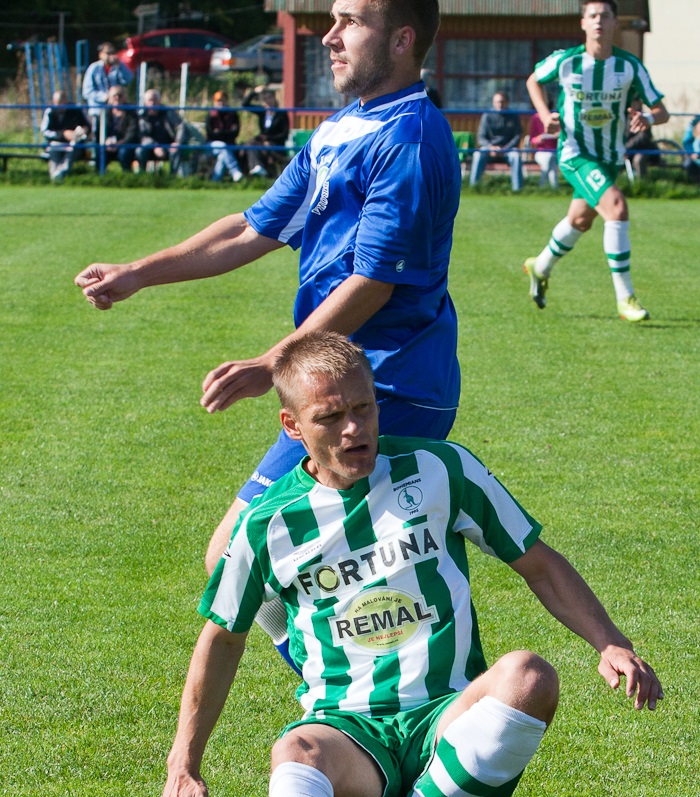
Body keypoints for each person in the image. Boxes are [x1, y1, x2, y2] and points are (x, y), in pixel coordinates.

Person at [148, 334, 662, 797]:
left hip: (450, 725)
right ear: (292, 427)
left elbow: (538, 563)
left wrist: (610, 642)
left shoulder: (441, 469)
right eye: (330, 417)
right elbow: (222, 639)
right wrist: (184, 763)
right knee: (295, 749)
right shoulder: (267, 524)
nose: (353, 429)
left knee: (529, 676)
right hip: (350, 736)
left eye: (363, 408)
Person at [74, 0, 461, 626]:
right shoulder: (344, 127)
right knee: (262, 565)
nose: (330, 37)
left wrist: (272, 362)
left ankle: (387, 682)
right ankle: (349, 679)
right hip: (340, 383)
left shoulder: (408, 140)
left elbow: (374, 284)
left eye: (350, 22)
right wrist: (138, 273)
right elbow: (253, 227)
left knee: (271, 563)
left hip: (391, 387)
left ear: (401, 40)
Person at [523, 0, 668, 322]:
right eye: (593, 16)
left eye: (605, 16)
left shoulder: (629, 66)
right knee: (616, 208)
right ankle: (625, 298)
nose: (599, 21)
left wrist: (646, 117)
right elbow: (533, 80)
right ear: (583, 23)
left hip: (610, 158)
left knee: (580, 221)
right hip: (575, 154)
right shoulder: (567, 61)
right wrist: (545, 115)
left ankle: (540, 266)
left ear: (616, 22)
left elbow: (662, 111)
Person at [469, 91, 524, 192]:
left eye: (502, 102)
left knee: (516, 156)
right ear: (493, 103)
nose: (500, 104)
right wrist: (491, 147)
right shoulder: (487, 116)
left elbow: (517, 136)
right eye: (497, 102)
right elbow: (481, 137)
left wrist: (506, 148)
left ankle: (517, 190)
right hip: (489, 149)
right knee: (478, 154)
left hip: (508, 149)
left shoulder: (514, 116)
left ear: (507, 102)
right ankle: (474, 188)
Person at [82, 42, 134, 134]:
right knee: (97, 134)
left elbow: (129, 79)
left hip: (115, 111)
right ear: (101, 54)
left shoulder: (118, 67)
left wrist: (120, 65)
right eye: (108, 53)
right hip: (98, 110)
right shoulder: (94, 68)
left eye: (113, 53)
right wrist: (104, 97)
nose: (111, 56)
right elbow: (87, 92)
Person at [40, 90, 90, 182]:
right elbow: (45, 131)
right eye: (57, 103)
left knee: (74, 148)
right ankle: (55, 176)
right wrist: (63, 135)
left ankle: (61, 173)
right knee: (53, 149)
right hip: (56, 142)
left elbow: (87, 127)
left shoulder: (76, 110)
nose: (60, 106)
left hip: (74, 143)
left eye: (62, 103)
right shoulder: (50, 111)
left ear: (66, 100)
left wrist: (83, 130)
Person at [241, 87, 290, 177]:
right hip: (262, 142)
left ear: (274, 99)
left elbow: (284, 134)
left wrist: (268, 139)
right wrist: (254, 92)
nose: (268, 101)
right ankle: (257, 167)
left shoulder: (281, 114)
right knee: (249, 144)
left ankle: (262, 169)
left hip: (275, 143)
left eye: (270, 98)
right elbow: (245, 104)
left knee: (267, 147)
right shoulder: (263, 112)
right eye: (265, 99)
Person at [136, 88, 181, 173]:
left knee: (176, 150)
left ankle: (173, 177)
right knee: (140, 151)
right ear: (145, 102)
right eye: (150, 100)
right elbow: (142, 136)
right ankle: (141, 176)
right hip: (150, 146)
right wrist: (155, 146)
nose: (152, 103)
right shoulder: (142, 117)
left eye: (155, 100)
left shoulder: (169, 113)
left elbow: (181, 126)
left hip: (169, 145)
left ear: (159, 101)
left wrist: (177, 142)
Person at [205, 91, 243, 182]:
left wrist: (219, 132)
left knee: (223, 154)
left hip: (230, 144)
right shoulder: (210, 115)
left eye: (223, 100)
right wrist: (227, 133)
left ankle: (215, 180)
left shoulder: (233, 114)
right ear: (214, 102)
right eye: (218, 101)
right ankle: (235, 171)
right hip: (212, 145)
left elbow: (235, 133)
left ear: (227, 101)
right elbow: (210, 134)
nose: (221, 103)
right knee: (223, 146)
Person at [102, 86, 139, 172]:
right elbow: (100, 131)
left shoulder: (131, 112)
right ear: (109, 98)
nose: (117, 98)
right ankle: (100, 175)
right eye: (114, 96)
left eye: (120, 95)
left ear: (124, 97)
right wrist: (106, 141)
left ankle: (127, 175)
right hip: (109, 144)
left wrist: (119, 144)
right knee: (100, 151)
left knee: (124, 153)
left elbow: (132, 132)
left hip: (126, 143)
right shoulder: (104, 113)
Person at [624, 97, 660, 179]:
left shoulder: (644, 118)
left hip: (646, 149)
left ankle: (642, 183)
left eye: (636, 102)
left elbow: (643, 138)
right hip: (629, 150)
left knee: (638, 160)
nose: (634, 105)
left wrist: (627, 147)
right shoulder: (625, 117)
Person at [528, 108, 558, 189]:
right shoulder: (536, 117)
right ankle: (550, 186)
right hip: (541, 152)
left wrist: (557, 135)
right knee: (549, 159)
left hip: (554, 151)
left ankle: (545, 186)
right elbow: (532, 139)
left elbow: (562, 134)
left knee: (551, 159)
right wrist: (539, 139)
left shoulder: (555, 117)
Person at [681, 115, 700, 184]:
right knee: (688, 164)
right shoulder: (694, 122)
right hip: (694, 154)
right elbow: (686, 142)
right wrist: (691, 153)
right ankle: (696, 182)